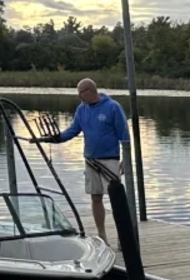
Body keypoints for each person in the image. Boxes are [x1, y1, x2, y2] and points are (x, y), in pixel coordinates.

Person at [39, 78, 130, 241]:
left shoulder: (112, 107)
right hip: (91, 160)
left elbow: (124, 135)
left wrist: (125, 160)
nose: (79, 97)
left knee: (116, 198)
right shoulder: (82, 109)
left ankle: (122, 237)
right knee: (96, 197)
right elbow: (73, 130)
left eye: (80, 93)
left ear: (90, 91)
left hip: (111, 159)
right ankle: (102, 234)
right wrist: (55, 138)